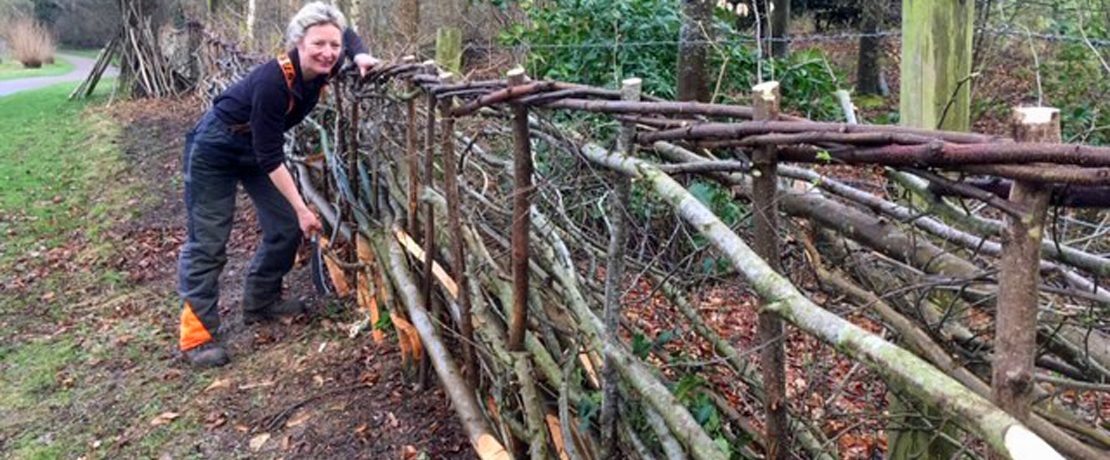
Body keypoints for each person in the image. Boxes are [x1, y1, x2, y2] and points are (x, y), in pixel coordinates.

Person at [176, 2, 380, 367]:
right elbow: (271, 157)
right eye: (318, 44)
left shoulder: (326, 63)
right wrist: (304, 209)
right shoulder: (275, 81)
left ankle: (261, 302)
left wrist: (361, 54)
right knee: (208, 242)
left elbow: (345, 33)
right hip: (216, 147)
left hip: (256, 148)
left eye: (334, 46)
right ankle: (197, 337)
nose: (329, 52)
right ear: (298, 42)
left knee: (284, 228)